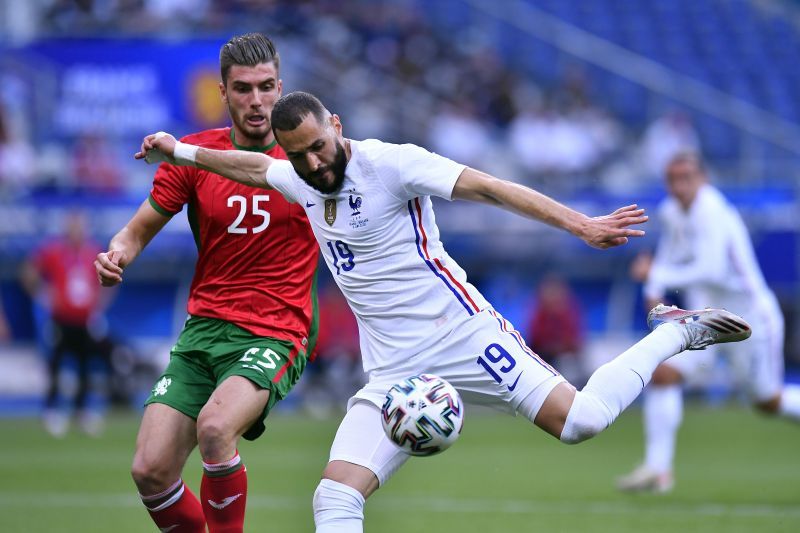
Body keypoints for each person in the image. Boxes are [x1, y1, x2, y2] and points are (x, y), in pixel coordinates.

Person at [136, 92, 752, 532]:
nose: (316, 164)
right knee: (333, 500)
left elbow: (488, 186)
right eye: (301, 157)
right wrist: (182, 153)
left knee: (581, 422)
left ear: (337, 125)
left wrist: (580, 224)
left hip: (462, 334)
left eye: (321, 148)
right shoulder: (298, 177)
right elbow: (250, 166)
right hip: (392, 373)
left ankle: (674, 334)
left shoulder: (392, 163)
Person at [94, 34, 319, 532]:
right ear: (223, 91)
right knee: (149, 470)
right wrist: (116, 256)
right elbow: (135, 233)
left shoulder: (309, 158)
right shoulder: (194, 154)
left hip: (276, 330)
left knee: (217, 428)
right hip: (203, 332)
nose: (257, 101)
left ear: (280, 88)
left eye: (266, 88)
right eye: (243, 89)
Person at [616, 152, 800, 493]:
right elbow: (668, 257)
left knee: (767, 402)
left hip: (750, 321)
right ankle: (657, 471)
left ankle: (657, 470)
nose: (679, 185)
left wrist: (655, 274)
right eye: (673, 178)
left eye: (686, 177)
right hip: (707, 320)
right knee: (665, 374)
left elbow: (710, 269)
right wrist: (654, 290)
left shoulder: (713, 211)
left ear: (702, 178)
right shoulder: (672, 212)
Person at [21, 210, 109, 437]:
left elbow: (108, 280)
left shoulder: (92, 251)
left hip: (85, 320)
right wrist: (43, 294)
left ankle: (82, 411)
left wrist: (98, 305)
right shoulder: (54, 251)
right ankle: (52, 411)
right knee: (57, 366)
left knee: (85, 367)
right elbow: (29, 272)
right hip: (61, 319)